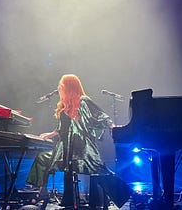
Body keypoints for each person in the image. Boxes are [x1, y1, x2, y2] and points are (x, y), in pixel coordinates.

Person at [26, 74, 115, 207]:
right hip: (65, 150)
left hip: (82, 150)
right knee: (42, 158)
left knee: (95, 170)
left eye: (61, 86)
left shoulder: (83, 101)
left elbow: (100, 114)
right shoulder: (64, 106)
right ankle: (45, 192)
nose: (59, 88)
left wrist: (112, 126)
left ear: (69, 87)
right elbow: (62, 128)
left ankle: (97, 201)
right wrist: (50, 134)